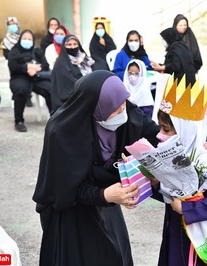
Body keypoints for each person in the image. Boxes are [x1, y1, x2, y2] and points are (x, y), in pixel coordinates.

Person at [32, 70, 160, 265]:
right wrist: (105, 195)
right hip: (71, 213)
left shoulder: (124, 110)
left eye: (123, 103)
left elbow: (157, 137)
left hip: (106, 202)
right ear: (96, 107)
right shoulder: (62, 133)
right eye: (115, 109)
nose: (122, 112)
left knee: (117, 255)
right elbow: (65, 190)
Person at [151, 77, 207, 266]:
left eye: (166, 129)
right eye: (160, 128)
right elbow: (171, 194)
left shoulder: (200, 161)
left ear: (184, 131)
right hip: (174, 232)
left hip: (195, 240)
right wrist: (155, 185)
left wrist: (186, 209)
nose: (159, 134)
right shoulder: (172, 156)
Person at [7, 29, 52, 132]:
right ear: (20, 39)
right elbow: (13, 67)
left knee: (49, 88)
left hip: (36, 77)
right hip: (19, 77)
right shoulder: (14, 51)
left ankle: (53, 117)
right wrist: (26, 67)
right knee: (20, 90)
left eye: (29, 39)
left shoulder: (37, 51)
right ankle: (19, 121)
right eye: (24, 38)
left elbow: (46, 65)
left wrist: (37, 68)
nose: (27, 40)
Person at [50, 34, 94, 112]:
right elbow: (69, 81)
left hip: (86, 89)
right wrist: (86, 85)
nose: (72, 47)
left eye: (75, 44)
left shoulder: (85, 59)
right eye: (69, 45)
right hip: (71, 96)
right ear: (64, 47)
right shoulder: (61, 63)